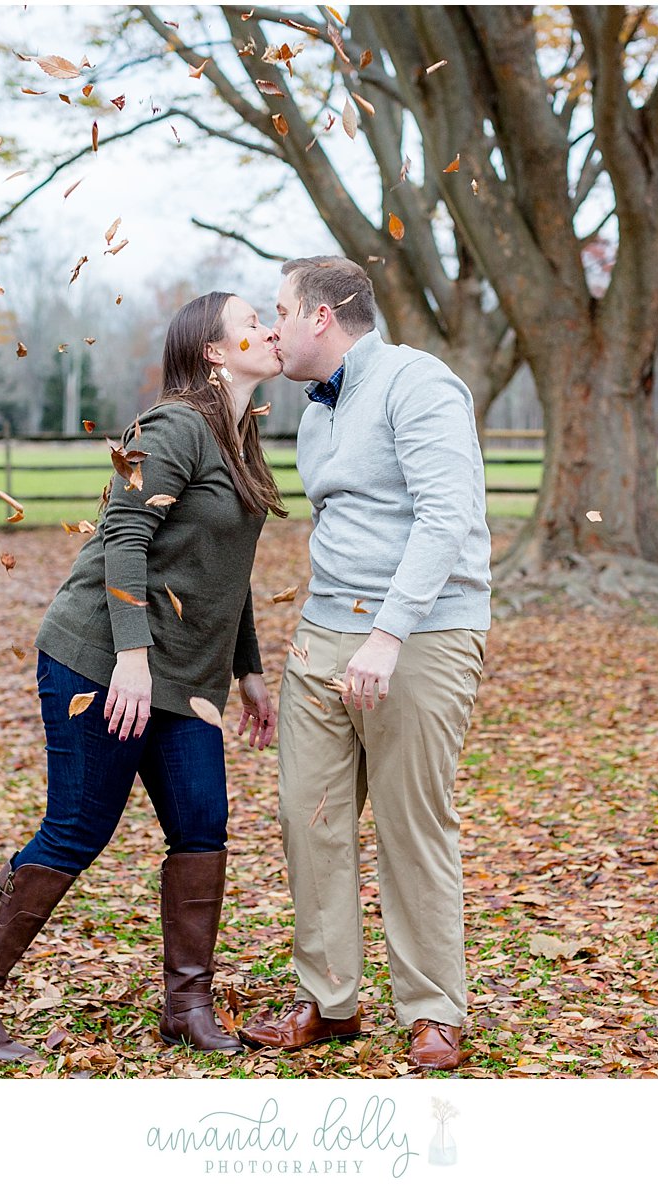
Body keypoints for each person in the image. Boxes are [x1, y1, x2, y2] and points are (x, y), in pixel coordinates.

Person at [0, 291, 286, 1062]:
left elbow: (223, 569)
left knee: (201, 826)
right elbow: (124, 536)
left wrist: (249, 671)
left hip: (183, 675)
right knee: (78, 827)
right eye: (253, 322)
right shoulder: (173, 427)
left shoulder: (240, 434)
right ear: (215, 352)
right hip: (100, 657)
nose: (271, 329)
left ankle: (185, 1006)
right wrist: (130, 659)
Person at [239, 257, 492, 1071]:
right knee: (307, 820)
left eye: (279, 309)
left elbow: (447, 513)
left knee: (411, 824)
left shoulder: (418, 384)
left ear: (322, 315)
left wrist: (387, 635)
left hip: (420, 636)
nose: (270, 325)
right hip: (322, 635)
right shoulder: (315, 413)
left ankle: (432, 1009)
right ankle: (329, 999)